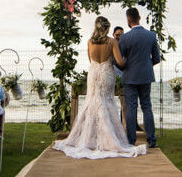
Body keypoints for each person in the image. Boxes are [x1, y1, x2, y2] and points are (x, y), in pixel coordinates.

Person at [54, 16, 147, 159]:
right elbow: (120, 62)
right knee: (106, 102)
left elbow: (90, 60)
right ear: (107, 28)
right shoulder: (112, 42)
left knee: (91, 102)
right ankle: (108, 139)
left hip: (93, 73)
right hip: (106, 74)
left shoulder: (90, 42)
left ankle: (89, 139)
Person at [118, 7, 162, 148]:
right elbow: (156, 58)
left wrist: (125, 68)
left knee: (131, 108)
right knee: (147, 106)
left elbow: (118, 60)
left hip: (130, 77)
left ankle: (131, 140)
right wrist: (147, 65)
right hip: (146, 76)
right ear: (140, 18)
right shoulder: (151, 35)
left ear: (128, 20)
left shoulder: (125, 38)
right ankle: (151, 140)